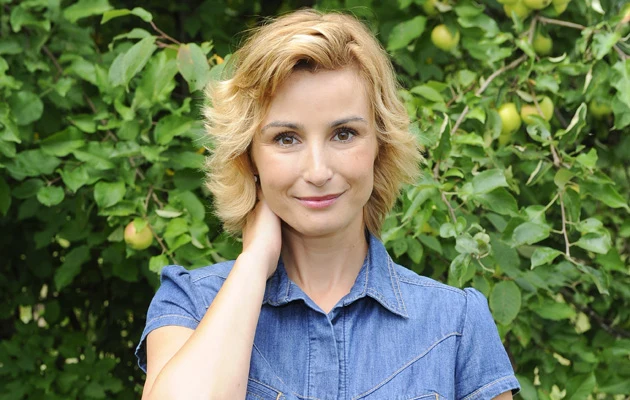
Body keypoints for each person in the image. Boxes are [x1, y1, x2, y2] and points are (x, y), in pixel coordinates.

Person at [135, 9, 521, 400]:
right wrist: (254, 262)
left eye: (344, 134)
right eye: (286, 139)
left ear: (381, 146)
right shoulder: (192, 302)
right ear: (249, 157)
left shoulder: (456, 324)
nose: (318, 171)